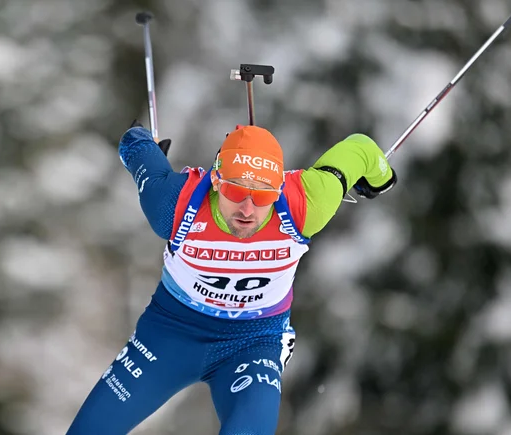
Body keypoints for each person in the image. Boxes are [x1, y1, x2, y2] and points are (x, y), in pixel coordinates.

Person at [66, 123, 396, 435]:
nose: (248, 210)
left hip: (254, 341)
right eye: (236, 191)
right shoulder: (173, 204)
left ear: (279, 188)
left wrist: (382, 177)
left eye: (263, 196)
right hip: (170, 334)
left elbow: (361, 149)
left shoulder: (307, 202)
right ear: (215, 181)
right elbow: (134, 144)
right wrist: (142, 140)